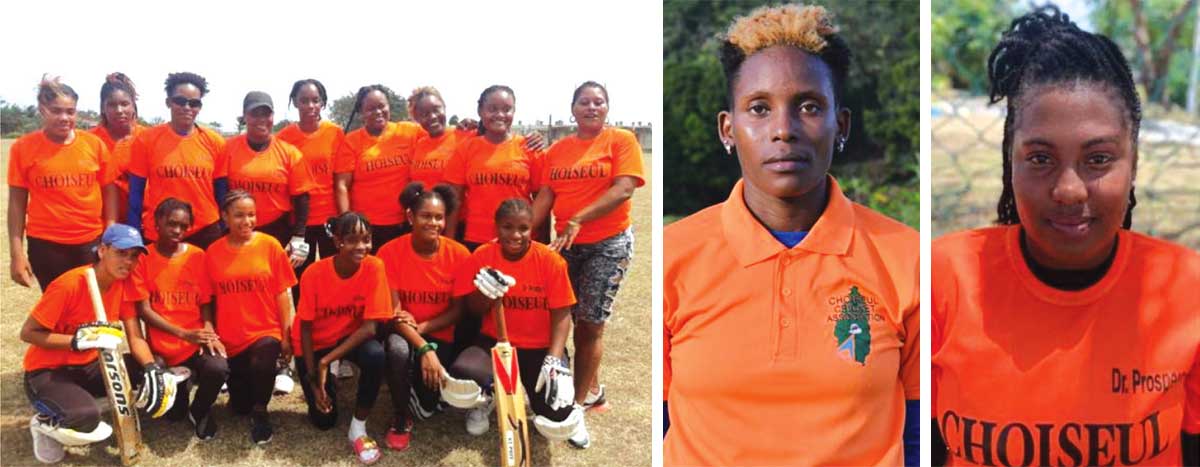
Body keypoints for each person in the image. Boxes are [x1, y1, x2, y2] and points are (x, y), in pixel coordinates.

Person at [931, 6, 1200, 466]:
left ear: (1132, 162)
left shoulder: (1187, 291)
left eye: (1098, 159)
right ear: (1009, 160)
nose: (1069, 190)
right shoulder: (943, 280)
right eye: (1040, 159)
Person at [663, 5, 919, 466]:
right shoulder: (673, 257)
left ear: (840, 126)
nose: (784, 130)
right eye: (759, 109)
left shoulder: (906, 257)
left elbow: (921, 431)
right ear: (728, 129)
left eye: (808, 106)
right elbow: (662, 422)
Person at [532, 81, 645, 448]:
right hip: (566, 246)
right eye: (584, 102)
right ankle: (585, 388)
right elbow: (546, 197)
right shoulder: (559, 150)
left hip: (606, 244)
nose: (592, 107)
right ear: (573, 108)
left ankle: (576, 407)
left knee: (590, 325)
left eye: (599, 102)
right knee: (561, 319)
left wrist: (579, 218)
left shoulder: (620, 141)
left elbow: (624, 188)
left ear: (607, 108)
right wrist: (521, 237)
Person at [20, 224, 175, 464]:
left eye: (134, 256)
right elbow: (28, 333)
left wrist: (152, 369)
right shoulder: (70, 284)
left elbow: (135, 337)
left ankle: (84, 400)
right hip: (49, 371)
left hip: (92, 365)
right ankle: (44, 423)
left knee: (157, 364)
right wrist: (76, 341)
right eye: (121, 253)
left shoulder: (123, 284)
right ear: (102, 251)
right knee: (85, 417)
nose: (128, 262)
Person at [446, 199, 583, 441]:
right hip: (497, 344)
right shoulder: (483, 255)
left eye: (523, 228)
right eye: (507, 227)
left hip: (539, 348)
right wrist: (485, 293)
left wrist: (554, 358)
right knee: (464, 370)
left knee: (557, 417)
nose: (515, 235)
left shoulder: (550, 261)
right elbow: (474, 311)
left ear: (533, 228)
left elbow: (562, 314)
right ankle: (487, 397)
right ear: (496, 227)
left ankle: (566, 407)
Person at [290, 212, 392, 462]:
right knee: (324, 421)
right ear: (337, 242)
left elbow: (370, 328)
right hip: (316, 343)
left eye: (366, 239)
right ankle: (329, 376)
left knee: (375, 354)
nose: (362, 246)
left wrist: (328, 361)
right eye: (353, 240)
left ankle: (358, 425)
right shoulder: (313, 273)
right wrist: (315, 379)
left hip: (349, 338)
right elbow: (305, 329)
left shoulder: (374, 267)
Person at [131, 198, 229, 440]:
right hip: (162, 349)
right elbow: (143, 310)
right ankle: (179, 384)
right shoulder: (143, 258)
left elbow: (205, 301)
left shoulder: (197, 256)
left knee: (219, 367)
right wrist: (183, 333)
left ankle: (201, 409)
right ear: (156, 223)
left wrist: (207, 330)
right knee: (173, 415)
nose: (177, 231)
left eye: (184, 226)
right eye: (171, 224)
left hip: (195, 345)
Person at [205, 190, 297, 445]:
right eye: (239, 215)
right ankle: (247, 401)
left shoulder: (270, 245)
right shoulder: (212, 252)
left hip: (265, 331)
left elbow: (282, 293)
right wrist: (212, 334)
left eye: (251, 215)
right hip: (231, 338)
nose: (247, 221)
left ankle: (261, 412)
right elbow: (209, 299)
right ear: (224, 217)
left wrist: (286, 336)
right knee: (238, 408)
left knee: (264, 360)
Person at [375, 182, 471, 426]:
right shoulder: (389, 252)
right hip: (402, 333)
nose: (433, 223)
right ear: (410, 216)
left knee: (427, 408)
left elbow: (458, 310)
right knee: (397, 349)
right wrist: (424, 348)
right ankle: (400, 414)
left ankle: (417, 386)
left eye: (439, 217)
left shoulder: (459, 254)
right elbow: (394, 314)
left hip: (437, 332)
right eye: (426, 216)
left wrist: (424, 331)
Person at [8, 75, 115, 290]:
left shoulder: (94, 145)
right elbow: (16, 205)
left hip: (90, 242)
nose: (64, 117)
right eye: (56, 111)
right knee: (58, 310)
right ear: (42, 110)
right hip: (46, 245)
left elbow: (109, 192)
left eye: (70, 111)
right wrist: (16, 254)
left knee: (91, 309)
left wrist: (110, 233)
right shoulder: (23, 148)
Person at [127, 72, 227, 249]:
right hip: (162, 229)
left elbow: (221, 192)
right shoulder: (147, 140)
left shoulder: (214, 141)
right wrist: (134, 232)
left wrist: (225, 229)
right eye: (180, 101)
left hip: (205, 231)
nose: (187, 107)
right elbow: (136, 193)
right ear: (168, 102)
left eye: (194, 103)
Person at [225, 90, 314, 267]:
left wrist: (298, 236)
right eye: (254, 114)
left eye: (266, 114)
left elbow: (301, 198)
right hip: (237, 228)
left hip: (277, 229)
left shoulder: (290, 153)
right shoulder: (228, 149)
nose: (261, 119)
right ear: (245, 116)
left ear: (273, 115)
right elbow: (219, 189)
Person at [332, 85, 422, 251]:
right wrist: (347, 222)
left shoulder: (409, 132)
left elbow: (439, 136)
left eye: (382, 106)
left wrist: (468, 128)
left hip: (406, 222)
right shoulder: (351, 142)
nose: (378, 112)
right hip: (368, 227)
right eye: (370, 109)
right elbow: (342, 185)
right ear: (361, 113)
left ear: (389, 106)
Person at [276, 79, 344, 263]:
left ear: (323, 103)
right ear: (295, 102)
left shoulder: (335, 133)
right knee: (301, 279)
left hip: (330, 218)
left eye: (315, 100)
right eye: (304, 100)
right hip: (298, 221)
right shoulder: (284, 138)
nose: (310, 106)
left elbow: (341, 179)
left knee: (332, 274)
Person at [92, 72, 145, 226]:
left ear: (133, 105)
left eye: (124, 104)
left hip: (142, 223)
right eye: (112, 105)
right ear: (102, 108)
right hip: (99, 225)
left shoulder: (148, 138)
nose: (119, 110)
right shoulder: (89, 141)